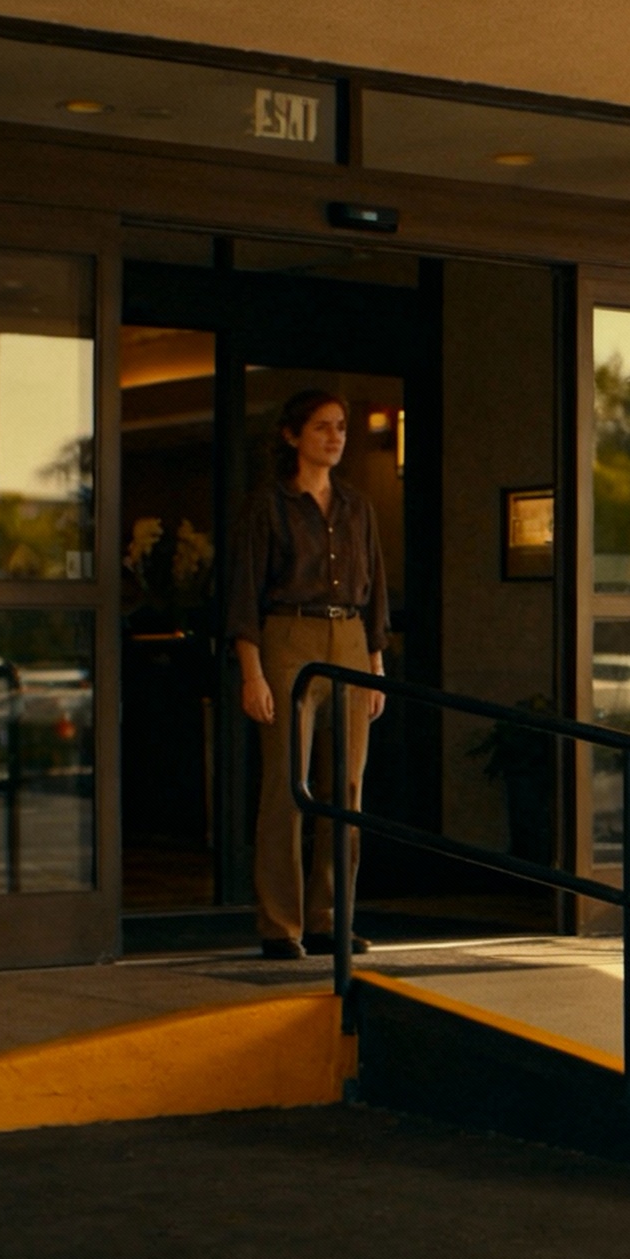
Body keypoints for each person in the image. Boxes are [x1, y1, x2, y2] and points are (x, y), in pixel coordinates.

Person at [225, 389, 390, 960]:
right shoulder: (267, 506)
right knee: (286, 787)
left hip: (350, 640)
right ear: (292, 435)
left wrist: (376, 661)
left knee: (347, 790)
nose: (335, 436)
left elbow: (376, 586)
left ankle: (329, 919)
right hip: (287, 639)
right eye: (322, 427)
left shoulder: (357, 506)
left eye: (341, 426)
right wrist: (252, 674)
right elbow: (243, 594)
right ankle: (281, 925)